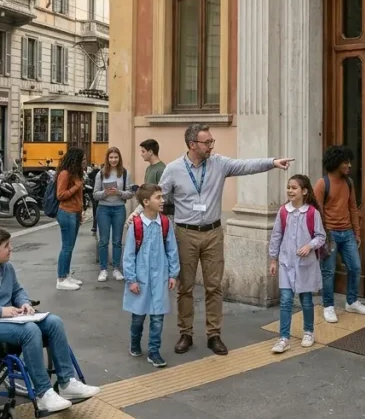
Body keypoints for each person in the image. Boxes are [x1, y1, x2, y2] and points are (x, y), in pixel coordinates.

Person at [160, 123, 293, 356]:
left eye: (212, 141)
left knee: (214, 287)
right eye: (207, 142)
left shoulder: (219, 164)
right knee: (185, 287)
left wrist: (272, 162)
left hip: (213, 233)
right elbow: (158, 197)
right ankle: (186, 333)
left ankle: (214, 335)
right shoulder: (173, 169)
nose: (211, 145)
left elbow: (245, 166)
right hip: (184, 233)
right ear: (193, 145)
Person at [0, 226, 101, 413]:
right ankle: (43, 393)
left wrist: (24, 303)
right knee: (30, 330)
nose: (11, 248)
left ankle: (67, 383)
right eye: (6, 246)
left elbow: (17, 291)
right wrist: (0, 311)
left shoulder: (6, 268)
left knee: (54, 322)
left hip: (12, 318)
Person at [313, 146, 365, 323]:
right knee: (328, 272)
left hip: (347, 233)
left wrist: (356, 232)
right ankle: (329, 306)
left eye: (349, 161)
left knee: (355, 267)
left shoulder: (349, 182)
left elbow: (353, 208)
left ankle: (352, 301)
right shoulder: (322, 183)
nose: (349, 165)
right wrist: (321, 236)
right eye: (345, 162)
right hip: (329, 233)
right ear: (336, 163)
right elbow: (317, 212)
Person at [123, 183, 179, 368]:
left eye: (162, 197)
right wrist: (131, 279)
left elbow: (172, 250)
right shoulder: (136, 225)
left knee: (158, 316)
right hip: (140, 277)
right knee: (138, 316)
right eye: (158, 197)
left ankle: (154, 351)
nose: (162, 200)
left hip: (160, 276)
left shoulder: (165, 223)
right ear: (146, 202)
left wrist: (173, 274)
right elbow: (129, 254)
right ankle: (134, 341)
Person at [269, 175, 326, 354]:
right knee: (285, 300)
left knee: (306, 300)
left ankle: (308, 332)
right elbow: (276, 234)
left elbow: (321, 236)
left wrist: (309, 246)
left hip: (305, 264)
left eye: (294, 188)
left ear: (304, 191)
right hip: (286, 263)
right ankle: (283, 337)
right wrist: (273, 259)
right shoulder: (283, 212)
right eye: (289, 187)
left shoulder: (312, 213)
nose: (290, 191)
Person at [92, 147, 134, 282]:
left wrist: (118, 192)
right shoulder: (101, 174)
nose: (113, 160)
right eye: (111, 157)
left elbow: (130, 193)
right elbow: (95, 194)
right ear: (107, 158)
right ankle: (103, 270)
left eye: (116, 157)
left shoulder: (125, 173)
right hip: (103, 209)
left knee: (117, 241)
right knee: (103, 240)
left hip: (119, 209)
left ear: (119, 158)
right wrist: (105, 193)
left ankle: (116, 268)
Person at [56, 148, 85, 291]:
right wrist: (76, 187)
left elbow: (79, 198)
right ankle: (61, 278)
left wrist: (80, 213)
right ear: (76, 160)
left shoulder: (75, 174)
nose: (85, 162)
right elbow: (60, 195)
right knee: (66, 247)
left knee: (70, 247)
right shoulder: (65, 174)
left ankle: (66, 275)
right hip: (66, 213)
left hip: (74, 213)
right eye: (83, 159)